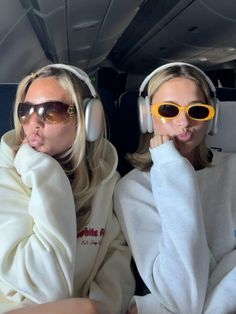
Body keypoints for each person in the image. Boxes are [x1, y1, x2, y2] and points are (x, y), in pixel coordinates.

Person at [0, 63, 135, 314]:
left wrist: (101, 307)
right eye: (26, 111)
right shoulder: (6, 176)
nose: (33, 123)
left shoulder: (107, 180)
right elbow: (45, 287)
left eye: (51, 111)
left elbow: (115, 259)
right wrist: (45, 172)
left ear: (87, 118)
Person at [114, 62, 236, 314]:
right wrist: (172, 171)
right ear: (146, 116)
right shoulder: (132, 189)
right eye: (168, 110)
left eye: (197, 111)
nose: (184, 122)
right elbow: (181, 299)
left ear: (211, 117)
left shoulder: (233, 169)